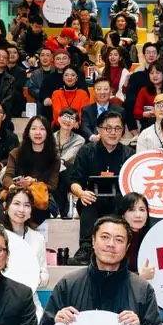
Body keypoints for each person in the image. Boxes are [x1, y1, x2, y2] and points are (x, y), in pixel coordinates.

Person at [67, 111, 133, 261]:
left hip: (118, 201)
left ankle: (122, 249)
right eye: (108, 128)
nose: (113, 132)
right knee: (89, 201)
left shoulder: (129, 154)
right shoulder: (87, 151)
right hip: (92, 200)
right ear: (99, 129)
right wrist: (81, 193)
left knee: (123, 201)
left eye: (117, 128)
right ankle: (86, 248)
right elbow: (74, 181)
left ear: (123, 131)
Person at [2, 114, 61, 223]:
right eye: (34, 128)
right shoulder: (16, 153)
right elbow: (7, 177)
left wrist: (33, 182)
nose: (38, 132)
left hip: (40, 198)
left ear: (48, 133)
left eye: (42, 129)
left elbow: (52, 186)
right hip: (17, 194)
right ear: (28, 132)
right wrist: (14, 186)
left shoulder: (54, 158)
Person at [0, 187, 50, 287]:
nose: (21, 209)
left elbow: (44, 275)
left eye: (27, 205)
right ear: (6, 207)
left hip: (29, 293)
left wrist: (33, 280)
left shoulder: (38, 238)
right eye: (17, 203)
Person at [116, 192, 157, 274]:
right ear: (122, 215)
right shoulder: (116, 240)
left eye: (142, 210)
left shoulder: (153, 237)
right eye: (132, 210)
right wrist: (139, 277)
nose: (138, 215)